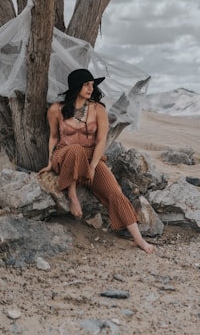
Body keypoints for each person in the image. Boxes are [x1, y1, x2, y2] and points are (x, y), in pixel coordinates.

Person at [39, 68, 154, 254]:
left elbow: (101, 140)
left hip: (90, 158)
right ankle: (72, 195)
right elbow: (53, 137)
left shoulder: (98, 109)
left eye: (92, 85)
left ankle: (138, 239)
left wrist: (93, 166)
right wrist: (49, 162)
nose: (90, 88)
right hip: (64, 155)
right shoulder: (56, 109)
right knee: (75, 149)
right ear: (76, 87)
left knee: (115, 191)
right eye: (86, 84)